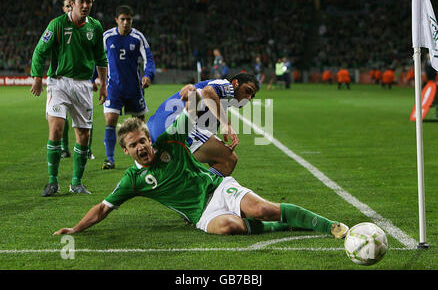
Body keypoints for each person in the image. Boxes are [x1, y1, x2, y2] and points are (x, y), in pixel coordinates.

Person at [53, 95, 349, 238]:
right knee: (228, 228)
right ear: (126, 149)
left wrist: (194, 96)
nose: (142, 147)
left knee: (261, 209)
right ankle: (283, 225)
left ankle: (328, 226)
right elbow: (103, 208)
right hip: (201, 214)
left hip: (218, 187)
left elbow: (194, 107)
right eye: (134, 145)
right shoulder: (133, 179)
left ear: (149, 139)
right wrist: (75, 229)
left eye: (144, 140)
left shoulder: (172, 139)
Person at [30, 0, 108, 196]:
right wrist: (37, 77)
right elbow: (39, 51)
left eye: (88, 2)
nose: (85, 6)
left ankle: (76, 183)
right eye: (81, 1)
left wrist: (103, 85)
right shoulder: (57, 24)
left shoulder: (95, 27)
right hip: (59, 83)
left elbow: (101, 58)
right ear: (72, 3)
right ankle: (52, 181)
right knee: (56, 129)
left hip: (83, 85)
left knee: (83, 135)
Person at [147, 72, 259, 177]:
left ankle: (200, 187)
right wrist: (227, 125)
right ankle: (202, 189)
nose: (248, 98)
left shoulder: (220, 105)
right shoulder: (226, 86)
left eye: (252, 96)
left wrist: (220, 145)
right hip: (172, 124)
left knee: (220, 160)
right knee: (229, 160)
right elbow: (208, 92)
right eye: (247, 91)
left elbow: (208, 132)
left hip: (157, 128)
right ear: (235, 83)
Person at [101, 5, 156, 170]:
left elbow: (149, 59)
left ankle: (147, 156)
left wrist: (148, 75)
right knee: (110, 120)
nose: (126, 23)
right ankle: (110, 159)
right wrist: (93, 79)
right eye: (122, 19)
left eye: (129, 20)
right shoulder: (107, 37)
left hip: (134, 88)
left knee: (140, 124)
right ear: (116, 20)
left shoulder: (138, 37)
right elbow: (97, 59)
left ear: (132, 20)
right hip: (113, 88)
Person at [59, 0, 96, 160]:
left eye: (71, 5)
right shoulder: (59, 27)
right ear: (64, 8)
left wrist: (94, 79)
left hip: (83, 81)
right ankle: (64, 148)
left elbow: (95, 56)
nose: (69, 8)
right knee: (62, 117)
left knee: (87, 118)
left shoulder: (89, 28)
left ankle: (86, 149)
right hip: (62, 81)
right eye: (67, 6)